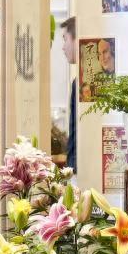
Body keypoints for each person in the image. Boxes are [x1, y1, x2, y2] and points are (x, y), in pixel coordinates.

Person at [60, 17, 78, 173]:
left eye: (65, 39)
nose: (63, 47)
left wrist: (71, 167)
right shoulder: (77, 82)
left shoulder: (81, 84)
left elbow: (76, 133)